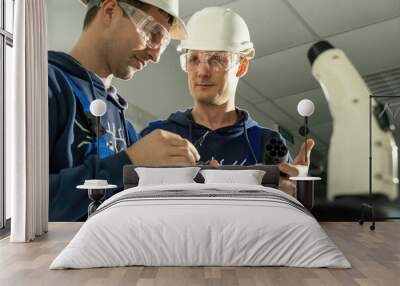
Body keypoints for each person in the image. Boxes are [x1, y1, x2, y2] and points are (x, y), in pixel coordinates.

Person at [48, 0, 200, 222]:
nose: (155, 56)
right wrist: (129, 161)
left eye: (163, 42)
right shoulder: (45, 85)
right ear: (110, 11)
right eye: (151, 32)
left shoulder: (124, 126)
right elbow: (23, 209)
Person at [140, 7, 315, 196]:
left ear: (242, 66)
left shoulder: (268, 144)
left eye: (217, 59)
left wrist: (298, 192)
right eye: (194, 59)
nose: (202, 72)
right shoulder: (158, 137)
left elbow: (286, 212)